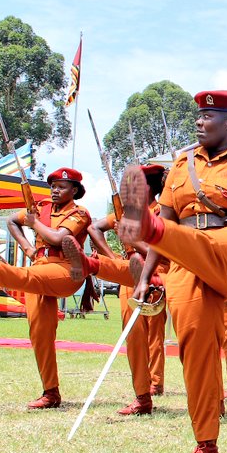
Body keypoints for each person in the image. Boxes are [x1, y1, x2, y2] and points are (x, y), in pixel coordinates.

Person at [117, 89, 227, 453]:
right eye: (198, 116)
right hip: (186, 260)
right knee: (194, 349)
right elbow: (173, 220)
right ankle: (206, 444)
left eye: (208, 117)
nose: (198, 122)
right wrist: (146, 276)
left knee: (194, 241)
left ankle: (147, 226)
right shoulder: (181, 165)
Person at [0, 168, 91, 408]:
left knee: (26, 276)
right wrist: (28, 249)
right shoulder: (41, 207)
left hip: (67, 269)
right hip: (39, 265)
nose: (56, 190)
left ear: (75, 191)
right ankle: (51, 393)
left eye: (62, 186)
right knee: (40, 334)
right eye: (54, 186)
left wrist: (34, 222)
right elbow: (11, 221)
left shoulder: (79, 213)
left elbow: (59, 238)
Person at [85, 164, 169, 414]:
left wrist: (134, 241)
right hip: (128, 273)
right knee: (132, 337)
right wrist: (113, 258)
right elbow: (93, 228)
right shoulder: (126, 213)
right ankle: (142, 395)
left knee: (154, 334)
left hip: (156, 272)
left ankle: (156, 381)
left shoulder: (161, 212)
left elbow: (163, 249)